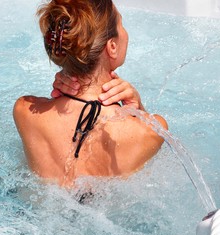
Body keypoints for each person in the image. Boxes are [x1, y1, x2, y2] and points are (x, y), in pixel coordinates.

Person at [13, 0, 168, 187]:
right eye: (121, 23)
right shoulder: (151, 131)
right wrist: (138, 108)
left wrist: (70, 70)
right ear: (112, 47)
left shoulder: (25, 111)